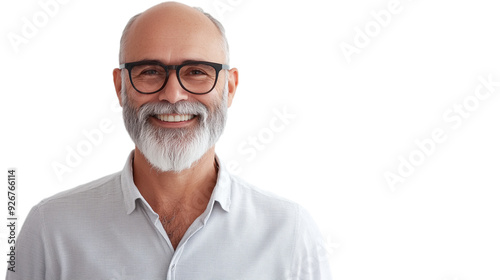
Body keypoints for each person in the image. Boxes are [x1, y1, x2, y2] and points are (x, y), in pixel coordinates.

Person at [6, 2, 332, 279]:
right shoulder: (50, 230)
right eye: (149, 71)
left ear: (229, 88)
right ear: (120, 86)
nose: (173, 95)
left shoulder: (291, 234)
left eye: (196, 72)